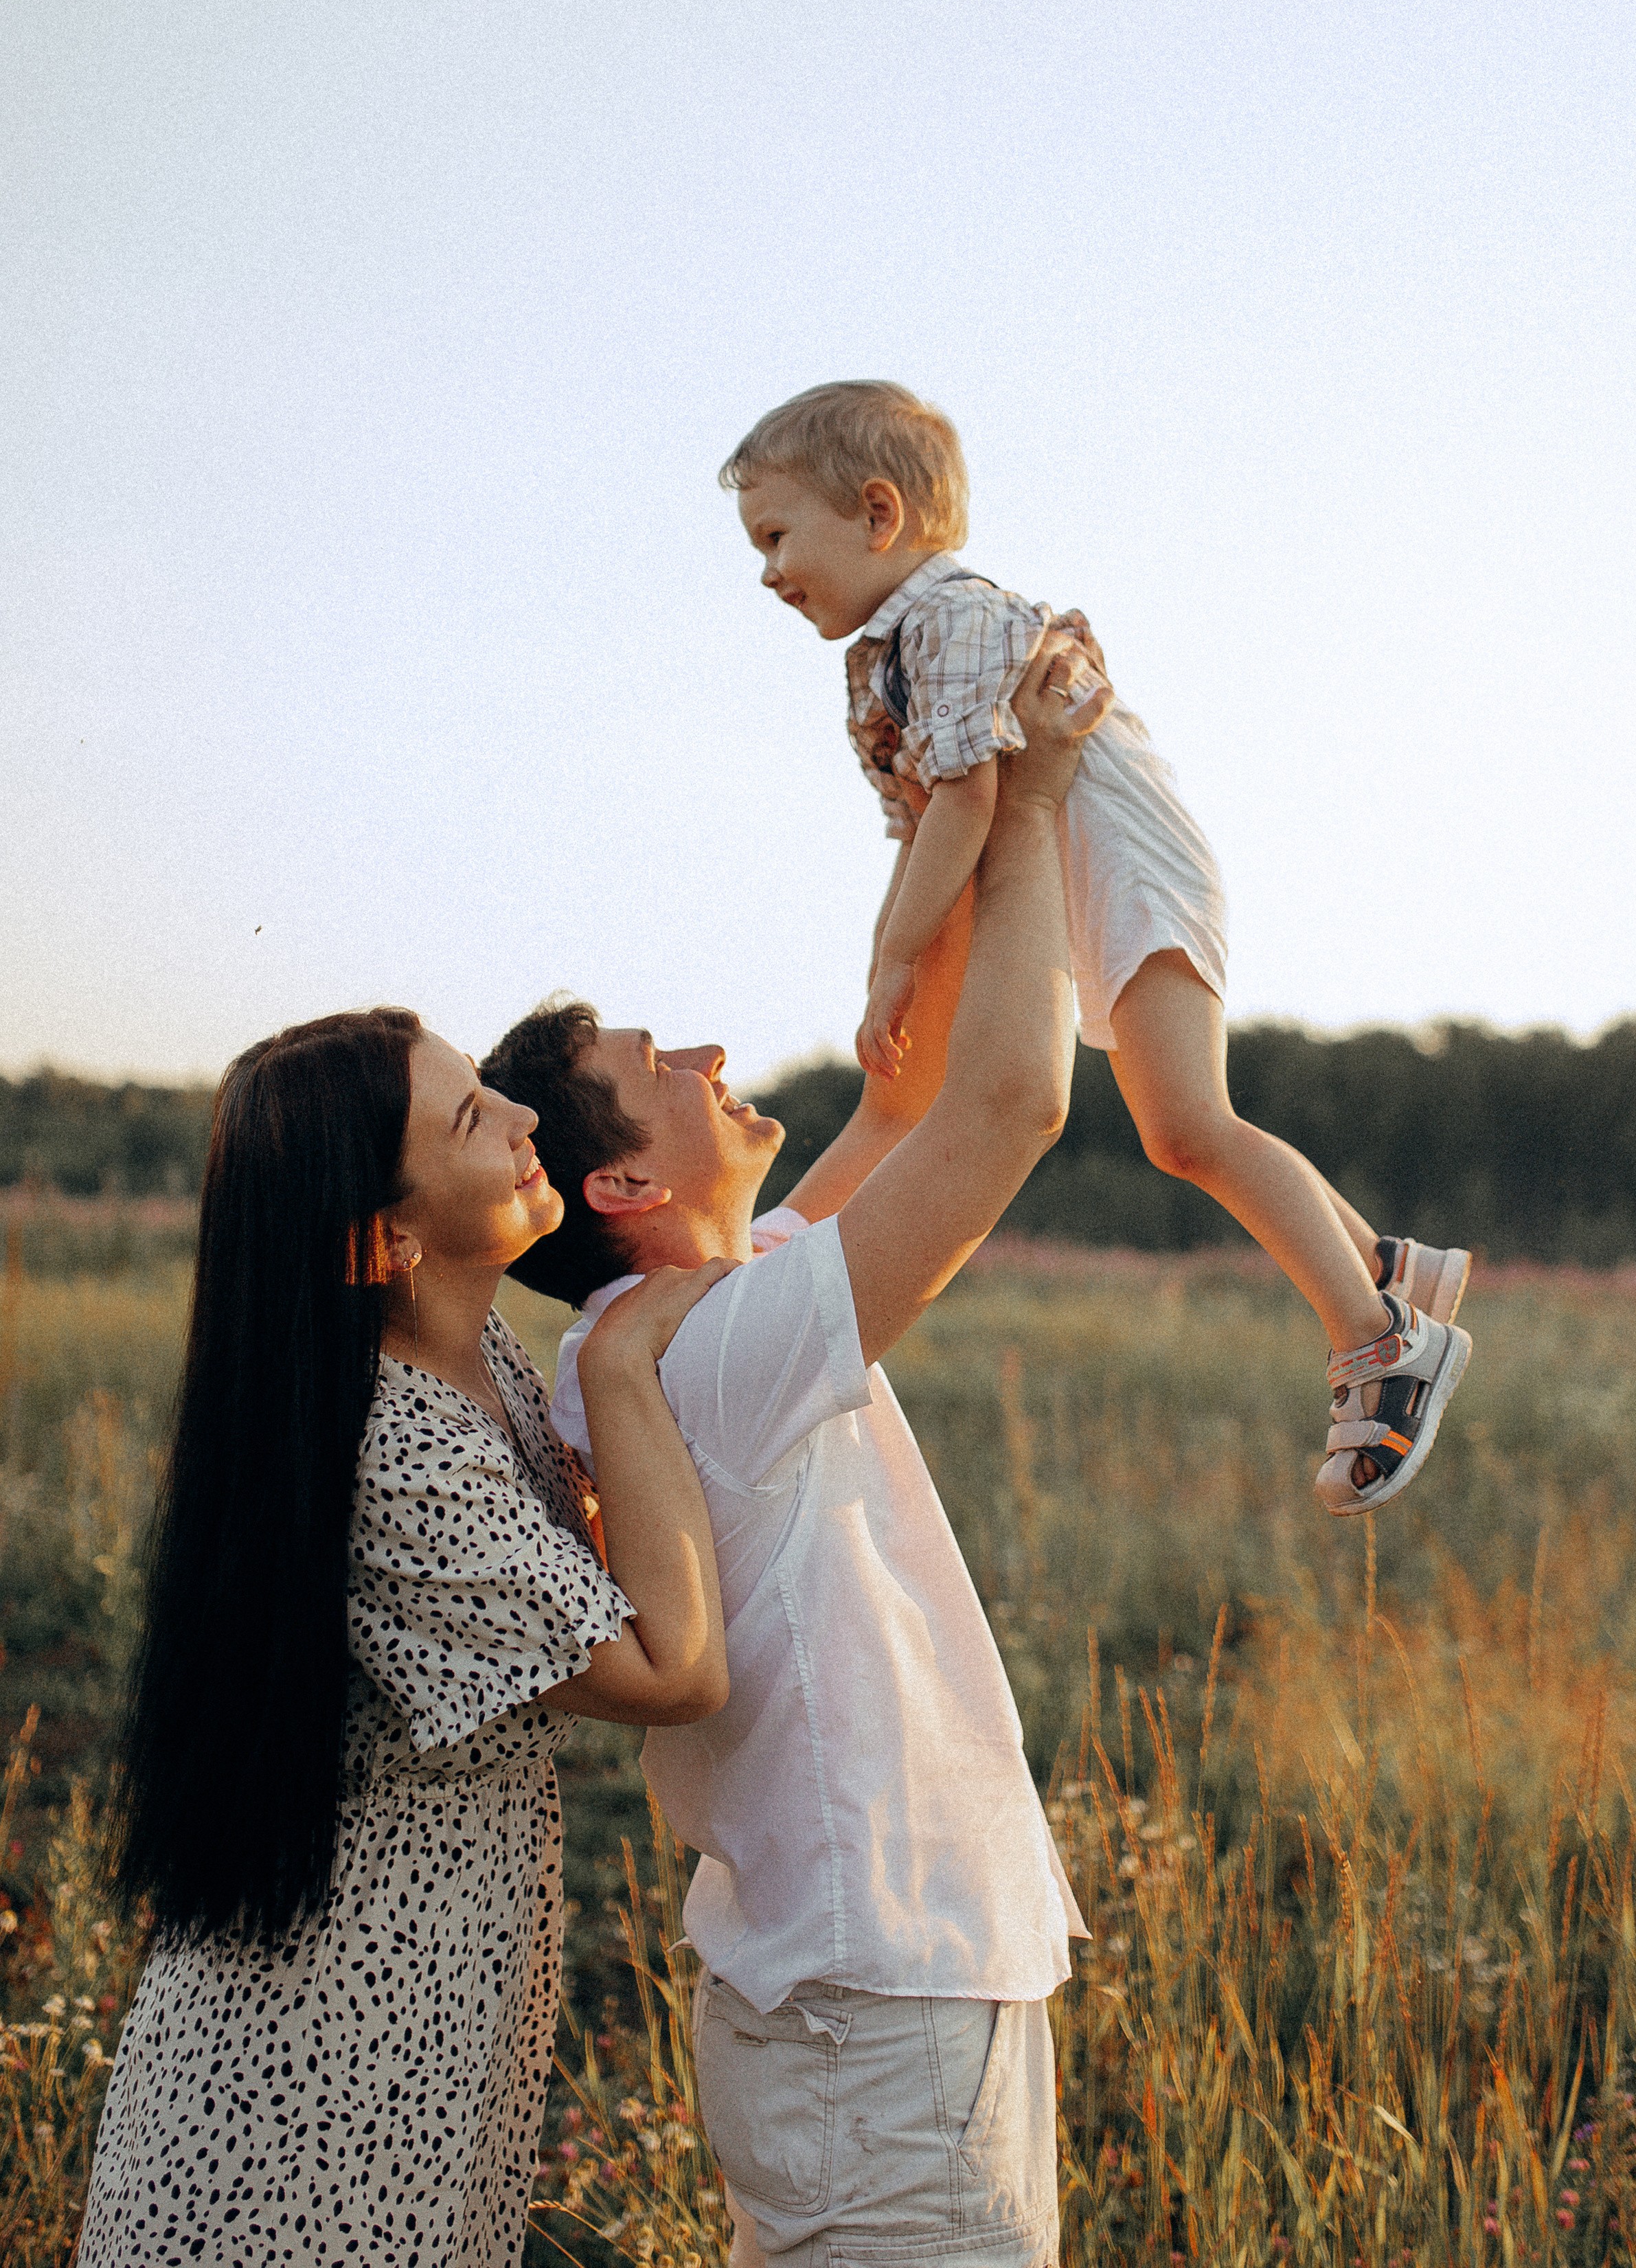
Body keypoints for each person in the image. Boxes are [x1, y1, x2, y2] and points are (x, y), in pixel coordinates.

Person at [481, 643, 1107, 2268]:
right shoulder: (705, 1347)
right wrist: (1028, 797)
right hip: (874, 2006)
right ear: (615, 1190)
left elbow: (904, 1101)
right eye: (650, 1068)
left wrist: (938, 827)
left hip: (883, 1992)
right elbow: (1008, 1108)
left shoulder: (692, 1319)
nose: (699, 1053)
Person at [718, 378, 1474, 1515]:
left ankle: (1382, 1339)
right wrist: (901, 952)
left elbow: (966, 810)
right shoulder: (881, 661)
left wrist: (892, 962)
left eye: (778, 536)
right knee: (1170, 1127)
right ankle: (1380, 1263)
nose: (767, 570)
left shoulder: (953, 619)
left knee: (1188, 1126)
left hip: (1126, 866)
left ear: (879, 515)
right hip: (1062, 882)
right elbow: (926, 830)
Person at [79, 1007, 730, 2267]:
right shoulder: (393, 1449)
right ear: (385, 1235)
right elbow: (675, 1670)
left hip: (418, 2019)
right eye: (472, 1119)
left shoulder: (467, 1350)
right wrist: (622, 1364)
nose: (527, 1117)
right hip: (317, 2085)